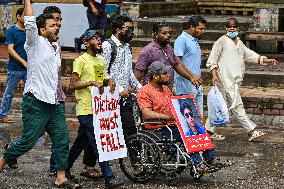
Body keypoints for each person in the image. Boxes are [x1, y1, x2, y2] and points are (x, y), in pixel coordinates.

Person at [0, 1, 80, 188]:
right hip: (35, 101)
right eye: (52, 25)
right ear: (42, 30)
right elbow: (29, 21)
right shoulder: (34, 42)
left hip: (54, 103)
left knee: (62, 139)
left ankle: (61, 177)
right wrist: (27, 0)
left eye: (58, 24)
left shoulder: (56, 46)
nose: (57, 26)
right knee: (28, 141)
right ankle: (6, 156)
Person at [136, 61, 224, 174]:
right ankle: (197, 163)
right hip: (157, 128)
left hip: (171, 125)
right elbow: (147, 114)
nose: (169, 75)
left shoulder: (166, 89)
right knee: (188, 134)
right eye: (165, 73)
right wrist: (168, 117)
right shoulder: (144, 91)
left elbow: (175, 106)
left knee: (198, 129)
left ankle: (210, 158)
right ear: (156, 76)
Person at [205, 18, 278, 142]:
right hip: (224, 80)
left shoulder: (239, 43)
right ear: (226, 29)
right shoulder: (221, 41)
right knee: (237, 106)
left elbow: (251, 55)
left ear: (238, 29)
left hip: (235, 81)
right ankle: (250, 131)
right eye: (229, 27)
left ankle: (208, 131)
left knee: (221, 106)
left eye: (234, 28)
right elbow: (212, 60)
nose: (231, 29)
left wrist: (266, 60)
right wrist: (214, 75)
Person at [67, 29, 123, 189]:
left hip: (99, 109)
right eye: (95, 38)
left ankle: (64, 168)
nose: (99, 40)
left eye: (100, 38)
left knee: (80, 142)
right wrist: (91, 83)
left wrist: (109, 81)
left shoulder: (100, 60)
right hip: (85, 109)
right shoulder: (81, 60)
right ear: (86, 42)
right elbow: (72, 85)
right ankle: (109, 178)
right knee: (99, 142)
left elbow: (101, 80)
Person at [102, 14, 142, 147]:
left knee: (130, 129)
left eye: (132, 28)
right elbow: (103, 72)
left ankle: (136, 164)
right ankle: (88, 164)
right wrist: (119, 89)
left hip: (125, 98)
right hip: (109, 96)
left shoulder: (127, 47)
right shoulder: (107, 45)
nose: (131, 31)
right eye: (128, 28)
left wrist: (141, 89)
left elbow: (129, 73)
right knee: (105, 130)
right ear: (118, 29)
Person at [134, 22, 203, 90]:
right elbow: (138, 73)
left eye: (169, 33)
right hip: (152, 92)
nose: (168, 35)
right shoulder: (147, 51)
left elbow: (177, 64)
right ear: (155, 34)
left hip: (167, 91)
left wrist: (191, 77)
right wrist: (140, 92)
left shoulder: (168, 48)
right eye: (164, 33)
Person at [174, 16, 207, 116]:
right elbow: (176, 63)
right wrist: (192, 77)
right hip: (185, 87)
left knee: (199, 118)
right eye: (200, 29)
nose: (203, 31)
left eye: (203, 29)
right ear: (191, 27)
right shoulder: (182, 40)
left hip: (196, 86)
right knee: (189, 120)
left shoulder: (194, 40)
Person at [0, 8, 27, 123]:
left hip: (29, 68)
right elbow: (10, 49)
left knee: (32, 93)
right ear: (18, 16)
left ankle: (30, 117)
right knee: (9, 93)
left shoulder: (29, 30)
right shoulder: (11, 31)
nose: (27, 19)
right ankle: (3, 115)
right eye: (25, 16)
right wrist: (22, 61)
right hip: (15, 68)